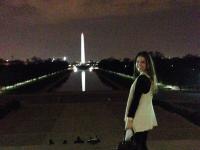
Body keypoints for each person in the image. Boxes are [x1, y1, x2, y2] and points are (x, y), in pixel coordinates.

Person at [124, 51, 158, 150]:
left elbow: (135, 100)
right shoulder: (149, 78)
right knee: (141, 144)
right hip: (146, 116)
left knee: (137, 145)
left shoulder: (142, 79)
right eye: (137, 61)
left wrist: (130, 119)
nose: (139, 64)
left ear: (148, 64)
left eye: (142, 62)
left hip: (138, 117)